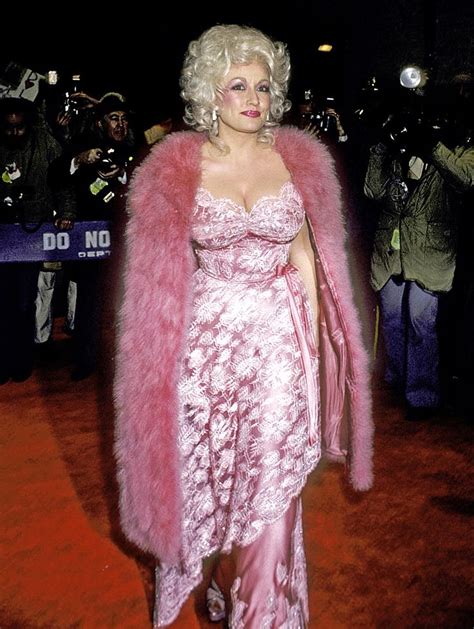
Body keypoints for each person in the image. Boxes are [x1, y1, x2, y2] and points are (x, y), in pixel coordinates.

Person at [114, 24, 373, 627]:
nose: (253, 98)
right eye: (237, 85)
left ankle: (263, 614)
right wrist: (160, 368)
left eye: (262, 86)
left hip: (280, 345)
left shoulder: (298, 160)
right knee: (211, 482)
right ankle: (222, 575)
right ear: (210, 91)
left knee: (271, 484)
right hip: (203, 352)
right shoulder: (173, 169)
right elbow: (155, 281)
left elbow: (306, 255)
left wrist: (313, 349)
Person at [364, 85, 474, 419]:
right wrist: (382, 145)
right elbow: (372, 191)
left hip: (431, 252)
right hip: (391, 250)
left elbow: (466, 180)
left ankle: (422, 395)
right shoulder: (399, 144)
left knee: (419, 320)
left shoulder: (461, 147)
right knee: (393, 318)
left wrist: (432, 146)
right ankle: (397, 382)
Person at [0, 97, 75, 384]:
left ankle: (21, 361)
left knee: (24, 301)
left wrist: (67, 212)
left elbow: (64, 181)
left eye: (19, 127)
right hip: (3, 233)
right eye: (9, 128)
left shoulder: (46, 144)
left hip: (32, 234)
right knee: (2, 301)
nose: (14, 133)